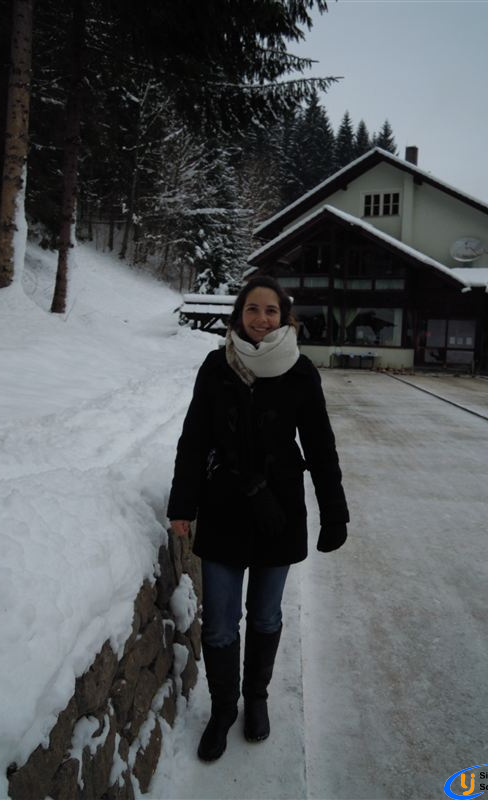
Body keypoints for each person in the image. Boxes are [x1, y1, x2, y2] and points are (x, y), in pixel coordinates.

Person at [168, 275, 349, 762]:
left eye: (271, 310)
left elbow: (321, 445)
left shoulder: (300, 370)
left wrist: (334, 513)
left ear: (284, 317)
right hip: (224, 506)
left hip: (278, 511)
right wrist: (182, 505)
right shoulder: (216, 366)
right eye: (252, 309)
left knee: (266, 615)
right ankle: (223, 708)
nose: (261, 319)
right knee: (220, 623)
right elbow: (194, 439)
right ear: (239, 315)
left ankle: (257, 697)